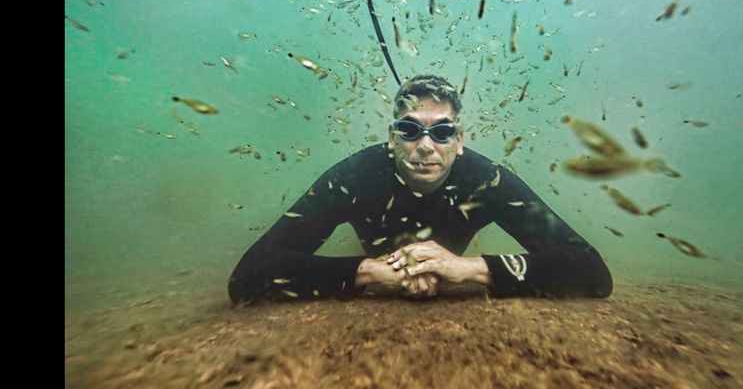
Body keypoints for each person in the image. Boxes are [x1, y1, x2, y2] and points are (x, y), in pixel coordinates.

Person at [228, 74, 613, 303]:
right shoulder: (356, 177)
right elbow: (247, 275)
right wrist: (370, 272)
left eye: (442, 132)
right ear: (391, 138)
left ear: (459, 140)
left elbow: (591, 269)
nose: (426, 146)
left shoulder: (485, 180)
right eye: (410, 130)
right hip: (379, 262)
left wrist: (467, 269)